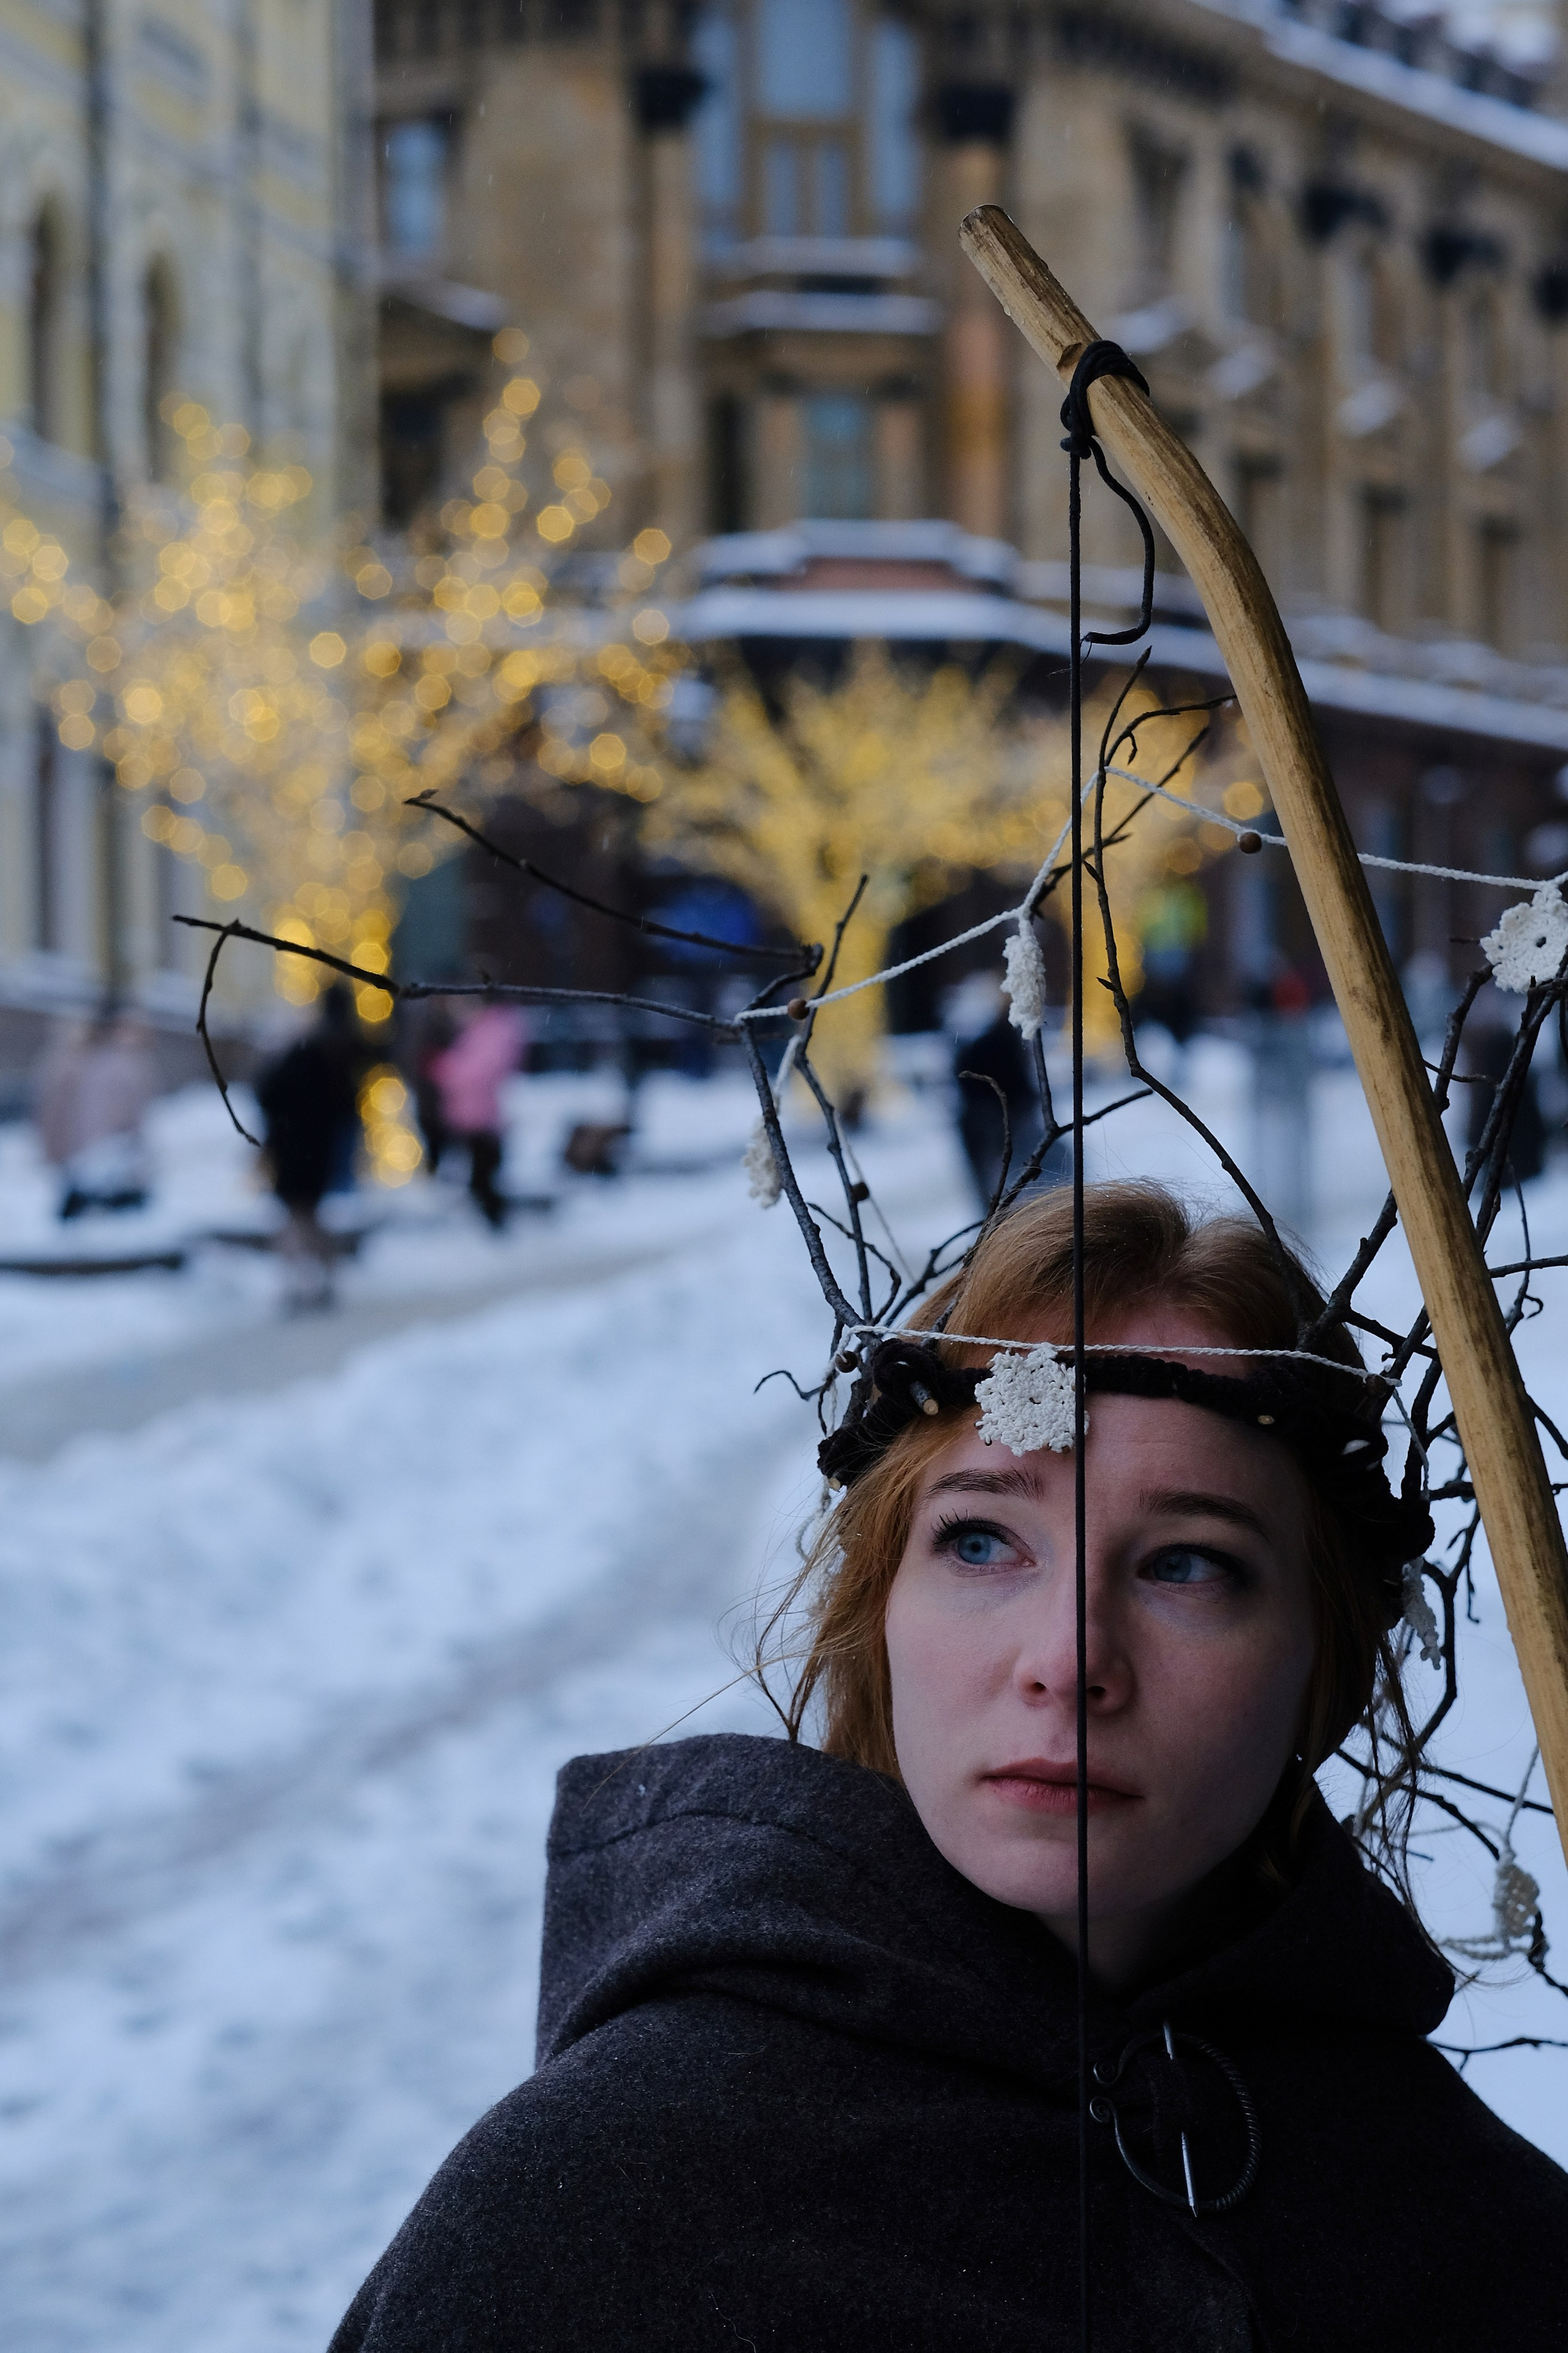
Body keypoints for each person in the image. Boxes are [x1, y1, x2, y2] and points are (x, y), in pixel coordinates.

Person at [328, 1184, 1568, 2352]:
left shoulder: (1484, 2237)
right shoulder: (599, 2205)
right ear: (877, 1605)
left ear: (1322, 1654)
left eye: (1186, 1563)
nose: (1068, 1659)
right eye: (981, 1541)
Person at [254, 984, 364, 1309]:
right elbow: (346, 1105)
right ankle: (320, 1279)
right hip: (317, 1147)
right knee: (309, 1215)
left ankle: (299, 1283)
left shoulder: (300, 1055)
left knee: (297, 1217)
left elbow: (268, 1096)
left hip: (292, 1146)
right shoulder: (339, 1049)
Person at [34, 1007, 156, 1219]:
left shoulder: (120, 1062)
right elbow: (59, 1108)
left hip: (108, 1144)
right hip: (91, 1144)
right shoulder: (81, 1063)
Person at [428, 1000, 526, 1229]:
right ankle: (494, 1221)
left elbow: (478, 1070)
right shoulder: (482, 1030)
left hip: (480, 1115)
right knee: (482, 1170)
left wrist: (444, 1069)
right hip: (475, 1114)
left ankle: (496, 1222)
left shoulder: (490, 1031)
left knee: (483, 1173)